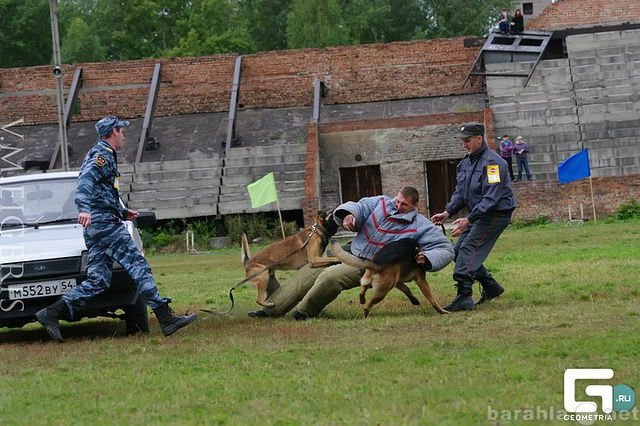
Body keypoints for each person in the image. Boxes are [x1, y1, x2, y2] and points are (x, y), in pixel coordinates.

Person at [36, 116, 197, 342]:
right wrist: (83, 208)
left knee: (99, 279)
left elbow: (103, 192)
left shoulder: (102, 153)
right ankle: (165, 318)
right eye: (122, 131)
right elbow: (85, 183)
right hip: (104, 225)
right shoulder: (102, 156)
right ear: (113, 132)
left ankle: (52, 312)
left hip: (100, 223)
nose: (124, 136)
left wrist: (122, 212)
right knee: (138, 265)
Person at [246, 186, 455, 320]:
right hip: (350, 249)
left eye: (404, 205)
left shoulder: (420, 225)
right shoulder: (381, 202)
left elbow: (446, 249)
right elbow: (359, 206)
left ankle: (304, 312)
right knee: (308, 271)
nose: (398, 206)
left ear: (415, 206)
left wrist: (427, 258)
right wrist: (348, 215)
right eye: (397, 201)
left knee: (330, 277)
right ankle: (272, 310)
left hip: (369, 265)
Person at [430, 122, 516, 311]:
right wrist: (448, 212)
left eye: (467, 141)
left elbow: (491, 198)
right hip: (479, 214)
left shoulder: (493, 164)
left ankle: (464, 297)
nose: (464, 145)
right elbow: (461, 193)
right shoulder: (466, 163)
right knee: (458, 250)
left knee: (468, 248)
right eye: (462, 141)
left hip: (496, 214)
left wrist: (469, 219)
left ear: (479, 139)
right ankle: (491, 287)